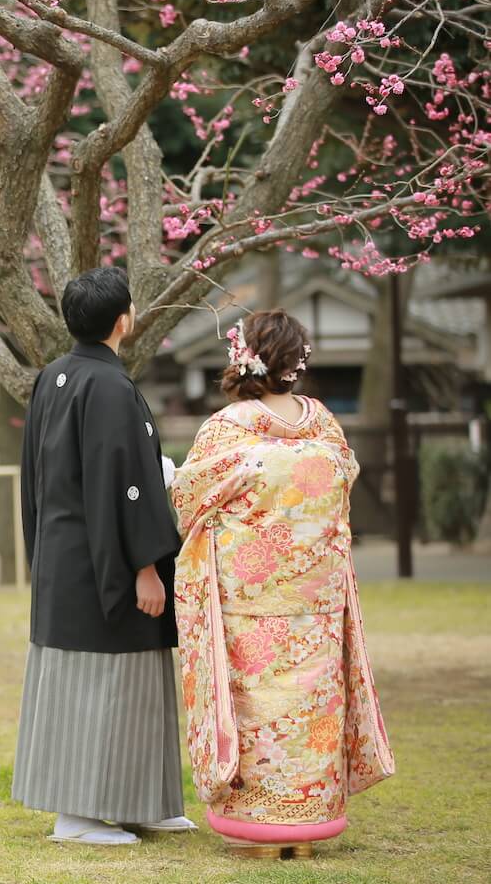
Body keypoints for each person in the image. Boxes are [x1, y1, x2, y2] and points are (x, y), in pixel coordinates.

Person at [170, 310, 395, 857]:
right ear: (298, 361)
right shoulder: (325, 426)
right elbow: (340, 492)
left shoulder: (226, 428)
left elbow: (188, 499)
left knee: (260, 712)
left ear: (242, 357)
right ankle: (309, 820)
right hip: (317, 604)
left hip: (249, 603)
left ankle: (260, 826)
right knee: (314, 710)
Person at [12, 267, 195, 845]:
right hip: (106, 563)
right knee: (104, 684)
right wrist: (145, 567)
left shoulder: (53, 377)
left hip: (64, 556)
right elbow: (126, 482)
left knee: (118, 682)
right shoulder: (110, 386)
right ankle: (78, 815)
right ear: (124, 320)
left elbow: (40, 475)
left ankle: (141, 802)